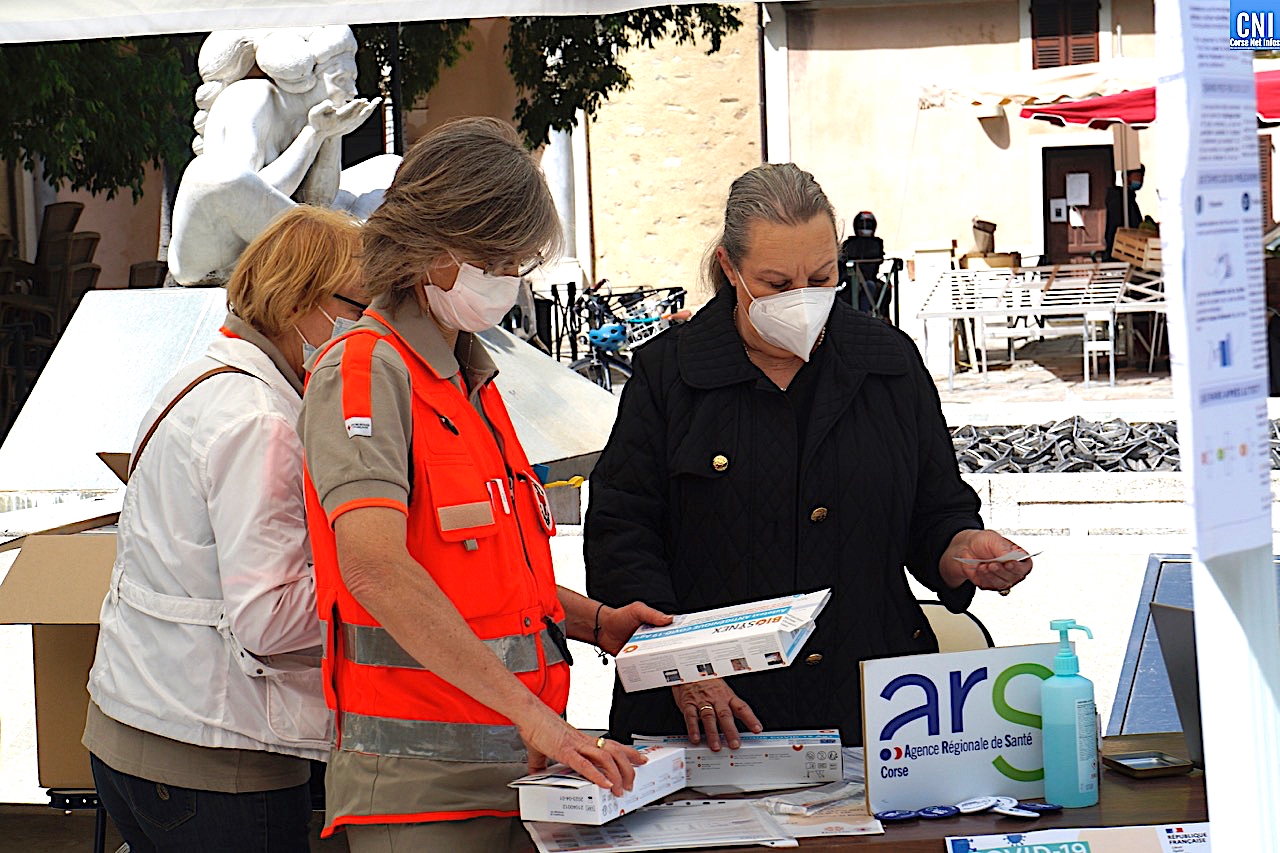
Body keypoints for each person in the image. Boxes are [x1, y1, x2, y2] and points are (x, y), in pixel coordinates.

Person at [299, 116, 670, 852]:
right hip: (425, 787)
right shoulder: (368, 371)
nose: (509, 278)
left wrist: (597, 622)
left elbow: (481, 579)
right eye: (498, 258)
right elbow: (376, 568)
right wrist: (537, 720)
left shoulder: (467, 374)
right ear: (431, 247)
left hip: (513, 767)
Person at [585, 163, 1033, 751]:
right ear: (730, 268)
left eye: (821, 277)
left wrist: (962, 551)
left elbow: (936, 512)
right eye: (775, 284)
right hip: (712, 722)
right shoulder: (670, 375)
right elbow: (621, 536)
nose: (802, 299)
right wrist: (682, 665)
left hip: (871, 715)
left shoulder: (888, 363)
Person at [85, 205, 368, 852]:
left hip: (137, 727)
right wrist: (388, 592)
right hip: (211, 756)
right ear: (302, 301)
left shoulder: (202, 379)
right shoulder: (260, 420)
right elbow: (270, 618)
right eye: (359, 305)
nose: (367, 326)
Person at [169, 26, 381, 284]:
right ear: (309, 78)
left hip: (268, 242)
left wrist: (331, 135)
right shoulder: (252, 97)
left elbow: (319, 202)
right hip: (211, 257)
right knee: (222, 177)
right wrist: (312, 135)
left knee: (386, 167)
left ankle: (341, 250)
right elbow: (246, 194)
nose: (353, 91)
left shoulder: (308, 118)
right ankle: (344, 252)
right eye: (342, 79)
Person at [839, 210, 886, 314]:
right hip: (848, 281)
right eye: (862, 224)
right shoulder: (849, 243)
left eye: (868, 224)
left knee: (879, 287)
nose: (865, 227)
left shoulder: (877, 244)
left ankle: (865, 315)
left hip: (869, 280)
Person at [1105, 165, 1145, 259]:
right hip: (1121, 249)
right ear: (1126, 177)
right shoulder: (1120, 199)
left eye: (1142, 176)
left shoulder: (1129, 198)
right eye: (1137, 176)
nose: (1140, 180)